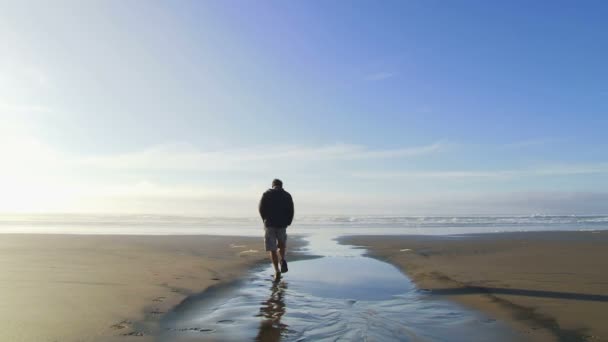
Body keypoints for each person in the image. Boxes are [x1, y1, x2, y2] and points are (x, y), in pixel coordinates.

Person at [259, 179, 294, 281]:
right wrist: (288, 221)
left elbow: (261, 208)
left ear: (272, 185)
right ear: (281, 186)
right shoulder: (287, 195)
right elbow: (291, 210)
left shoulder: (267, 194)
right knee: (281, 243)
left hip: (270, 224)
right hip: (282, 224)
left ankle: (277, 271)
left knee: (272, 248)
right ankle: (282, 259)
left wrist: (264, 219)